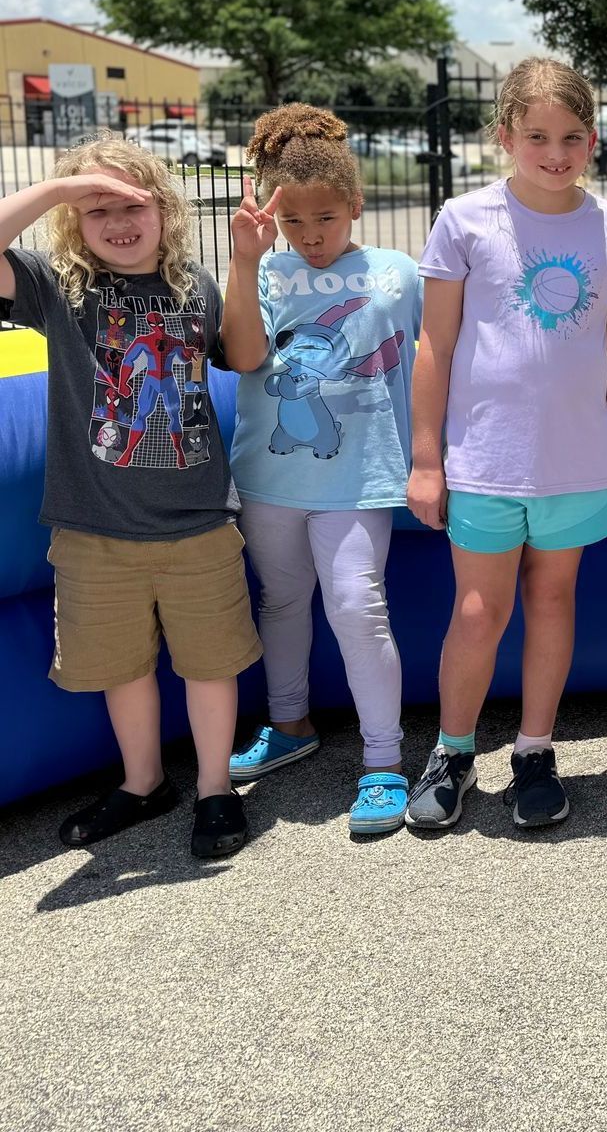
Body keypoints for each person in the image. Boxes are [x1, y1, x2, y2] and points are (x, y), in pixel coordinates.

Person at [0, 131, 259, 857]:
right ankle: (144, 783)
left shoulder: (194, 286)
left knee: (210, 664)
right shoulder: (60, 290)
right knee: (123, 668)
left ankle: (215, 786)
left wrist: (245, 262)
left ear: (164, 209)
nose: (116, 221)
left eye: (130, 204)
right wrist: (56, 188)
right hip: (94, 530)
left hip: (199, 525)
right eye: (95, 208)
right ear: (72, 222)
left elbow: (244, 357)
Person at [405, 58, 607, 831]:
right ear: (504, 134)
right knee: (479, 611)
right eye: (537, 135)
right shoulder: (464, 219)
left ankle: (535, 750)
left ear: (595, 139)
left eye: (572, 136)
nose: (555, 151)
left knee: (552, 599)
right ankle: (453, 752)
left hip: (575, 460)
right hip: (486, 461)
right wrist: (427, 458)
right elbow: (434, 346)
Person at [220, 104, 422, 836]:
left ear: (356, 206)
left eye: (327, 219)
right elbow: (243, 357)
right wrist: (245, 261)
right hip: (270, 480)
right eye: (296, 222)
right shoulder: (262, 270)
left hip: (360, 477)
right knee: (280, 600)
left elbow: (440, 356)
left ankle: (383, 762)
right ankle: (290, 723)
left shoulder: (397, 273)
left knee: (355, 606)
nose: (311, 236)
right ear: (274, 215)